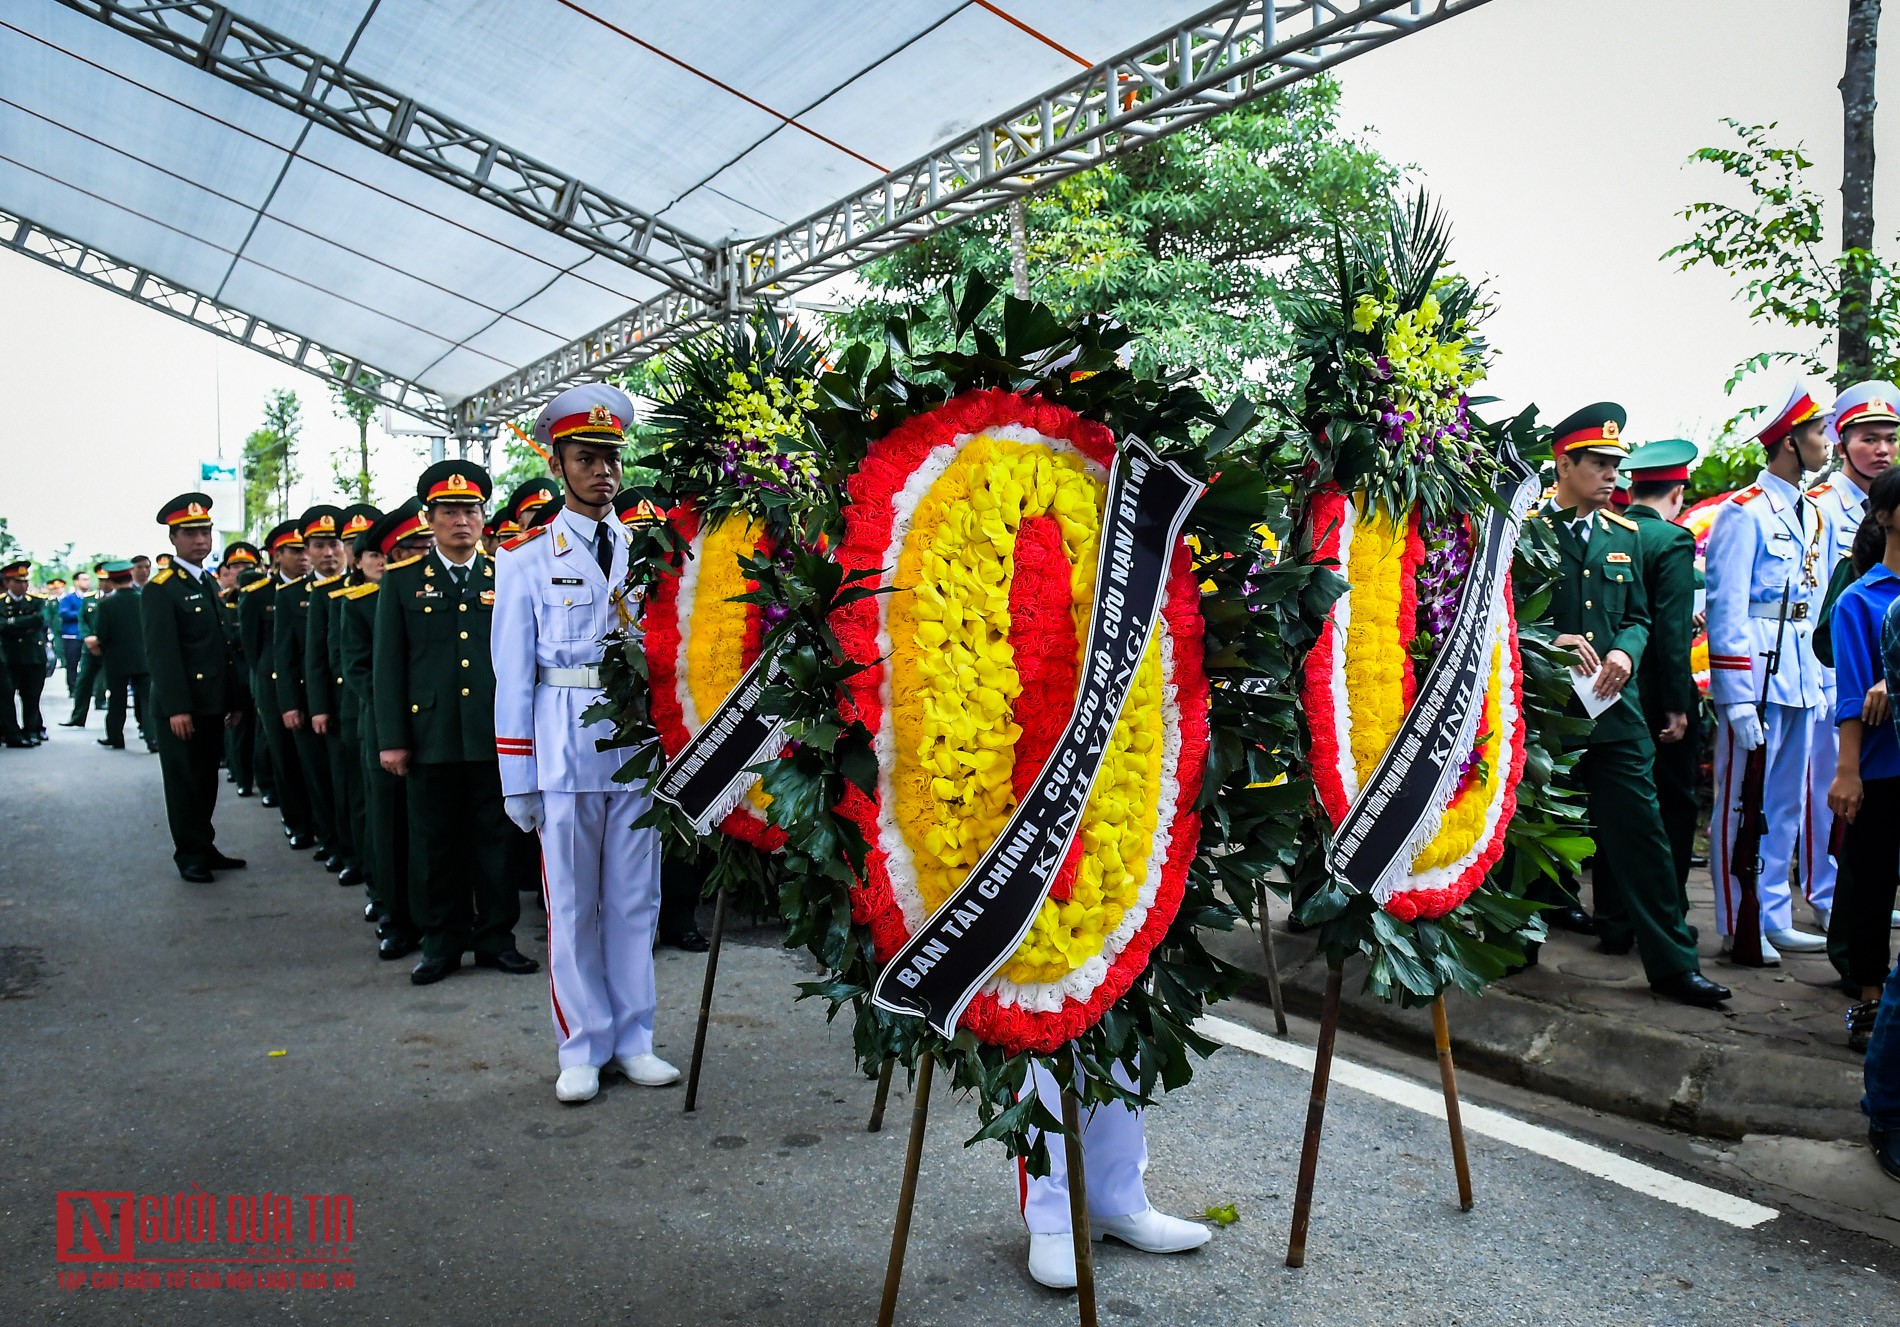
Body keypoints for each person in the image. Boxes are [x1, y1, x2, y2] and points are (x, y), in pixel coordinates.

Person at [495, 387, 672, 1103]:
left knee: (636, 901)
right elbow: (513, 675)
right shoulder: (526, 560)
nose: (603, 472)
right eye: (586, 459)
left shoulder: (648, 551)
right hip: (563, 748)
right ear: (558, 463)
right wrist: (518, 776)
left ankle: (635, 1037)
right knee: (570, 906)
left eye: (610, 459)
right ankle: (581, 1043)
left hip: (634, 752)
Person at [1531, 403, 1727, 1007]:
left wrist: (1626, 653)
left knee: (1642, 837)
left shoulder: (1626, 537)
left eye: (1618, 465)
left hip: (1616, 713)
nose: (1614, 475)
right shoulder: (1525, 533)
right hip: (1547, 713)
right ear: (1565, 464)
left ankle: (1673, 965)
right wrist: (1547, 639)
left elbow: (1641, 618)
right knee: (1532, 833)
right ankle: (1516, 943)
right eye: (1600, 464)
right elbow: (1496, 614)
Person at [374, 460, 536, 986]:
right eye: (448, 512)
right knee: (434, 844)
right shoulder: (401, 583)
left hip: (495, 733)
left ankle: (495, 938)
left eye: (470, 510)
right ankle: (440, 942)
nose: (460, 521)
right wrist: (393, 740)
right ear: (430, 519)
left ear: (484, 518)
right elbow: (388, 666)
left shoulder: (506, 574)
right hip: (431, 737)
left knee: (495, 840)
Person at [1705, 380, 1833, 963]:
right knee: (1740, 802)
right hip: (1757, 667)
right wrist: (1734, 695)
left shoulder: (1813, 512)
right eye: (1816, 433)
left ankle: (1774, 911)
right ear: (1788, 443)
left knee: (1785, 802)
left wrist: (1827, 678)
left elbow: (1821, 597)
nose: (1826, 442)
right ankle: (1739, 920)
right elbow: (1726, 603)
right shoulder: (1743, 512)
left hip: (1803, 664)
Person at [1809, 382, 1899, 936]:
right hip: (1835, 665)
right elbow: (1822, 598)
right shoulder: (1820, 506)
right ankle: (1825, 901)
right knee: (1834, 794)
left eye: (1890, 438)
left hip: (1878, 667)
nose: (1883, 449)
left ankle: (1844, 901)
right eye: (1870, 439)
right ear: (1843, 444)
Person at [1828, 466, 1900, 1052]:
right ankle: (1871, 998)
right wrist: (1847, 770)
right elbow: (1853, 693)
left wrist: (1893, 684)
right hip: (1881, 765)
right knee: (1873, 884)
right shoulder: (1861, 598)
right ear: (1883, 516)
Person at [1617, 438, 1702, 930]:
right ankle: (1670, 916)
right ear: (1676, 494)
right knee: (1672, 808)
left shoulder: (1615, 531)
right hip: (1658, 696)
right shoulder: (1672, 539)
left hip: (1617, 690)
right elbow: (1670, 632)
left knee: (1623, 808)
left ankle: (1616, 918)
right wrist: (1676, 704)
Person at [141, 493, 245, 883]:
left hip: (212, 702)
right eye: (190, 533)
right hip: (183, 706)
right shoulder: (162, 588)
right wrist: (177, 708)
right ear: (173, 539)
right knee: (185, 782)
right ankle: (189, 854)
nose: (201, 540)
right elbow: (163, 655)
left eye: (205, 531)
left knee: (205, 778)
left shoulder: (205, 582)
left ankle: (205, 844)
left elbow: (222, 649)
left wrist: (233, 699)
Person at [342, 499, 431, 953]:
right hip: (385, 729)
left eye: (424, 546)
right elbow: (360, 671)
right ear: (392, 556)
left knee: (435, 830)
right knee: (391, 828)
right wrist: (402, 708)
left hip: (435, 730)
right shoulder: (361, 603)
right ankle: (395, 916)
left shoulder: (439, 595)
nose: (421, 555)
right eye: (411, 549)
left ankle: (442, 915)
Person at [306, 503, 380, 889]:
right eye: (350, 542)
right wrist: (320, 706)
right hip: (348, 705)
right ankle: (355, 856)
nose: (352, 548)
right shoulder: (332, 594)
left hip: (376, 708)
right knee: (354, 792)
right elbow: (322, 656)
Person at [278, 506, 344, 871]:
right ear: (308, 551)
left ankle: (347, 843)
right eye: (319, 546)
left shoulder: (358, 588)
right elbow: (285, 657)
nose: (328, 552)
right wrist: (291, 704)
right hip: (311, 700)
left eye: (334, 543)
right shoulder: (291, 597)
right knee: (320, 777)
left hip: (347, 700)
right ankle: (330, 839)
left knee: (347, 782)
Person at [242, 521, 316, 848]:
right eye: (295, 551)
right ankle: (296, 822)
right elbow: (252, 647)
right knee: (285, 756)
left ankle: (320, 820)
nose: (303, 558)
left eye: (305, 551)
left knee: (313, 758)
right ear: (278, 555)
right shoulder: (258, 595)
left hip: (312, 682)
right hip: (274, 685)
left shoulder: (321, 589)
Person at [92, 561, 153, 751]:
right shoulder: (144, 599)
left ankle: (115, 737)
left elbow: (102, 633)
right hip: (143, 658)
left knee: (117, 700)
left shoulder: (106, 605)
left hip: (116, 660)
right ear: (130, 577)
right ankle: (153, 738)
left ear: (111, 581)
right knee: (146, 700)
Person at [218, 541, 263, 797]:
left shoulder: (267, 595)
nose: (241, 571)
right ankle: (242, 775)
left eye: (247, 565)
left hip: (260, 672)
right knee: (240, 728)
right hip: (237, 673)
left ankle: (262, 776)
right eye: (235, 567)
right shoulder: (224, 602)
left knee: (262, 731)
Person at [1, 559, 49, 747]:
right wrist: (22, 623)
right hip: (9, 657)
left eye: (25, 581)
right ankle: (11, 731)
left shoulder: (37, 602)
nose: (23, 585)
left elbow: (39, 621)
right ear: (7, 583)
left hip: (33, 657)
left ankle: (32, 729)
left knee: (32, 696)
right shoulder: (1, 603)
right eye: (18, 581)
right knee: (6, 697)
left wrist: (11, 623)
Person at [62, 563, 111, 729]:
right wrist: (88, 637)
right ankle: (78, 716)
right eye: (102, 580)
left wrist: (101, 639)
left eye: (108, 580)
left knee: (111, 683)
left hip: (111, 647)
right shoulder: (89, 598)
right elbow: (82, 620)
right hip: (90, 647)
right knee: (83, 683)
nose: (105, 583)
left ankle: (111, 719)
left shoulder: (117, 598)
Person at [57, 575, 84, 694]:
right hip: (71, 635)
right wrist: (81, 613)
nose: (87, 582)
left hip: (85, 635)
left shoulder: (90, 598)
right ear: (76, 582)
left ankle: (88, 688)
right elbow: (64, 613)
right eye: (84, 579)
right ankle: (73, 688)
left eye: (88, 579)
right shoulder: (69, 598)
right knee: (72, 663)